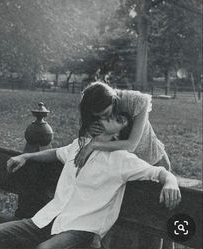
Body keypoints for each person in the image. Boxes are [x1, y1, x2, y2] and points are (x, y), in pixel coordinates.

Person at [0, 116, 181, 249]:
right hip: (49, 220)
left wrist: (170, 182)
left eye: (107, 121)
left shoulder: (121, 159)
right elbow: (56, 153)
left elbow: (158, 171)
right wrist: (27, 157)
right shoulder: (78, 146)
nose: (97, 124)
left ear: (117, 135)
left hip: (81, 231)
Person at [74, 81, 173, 248]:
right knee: (124, 224)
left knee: (155, 225)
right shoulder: (94, 109)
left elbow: (131, 144)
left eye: (105, 114)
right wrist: (94, 136)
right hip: (124, 168)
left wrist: (94, 145)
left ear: (113, 101)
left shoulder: (135, 101)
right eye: (97, 116)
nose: (102, 119)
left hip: (153, 163)